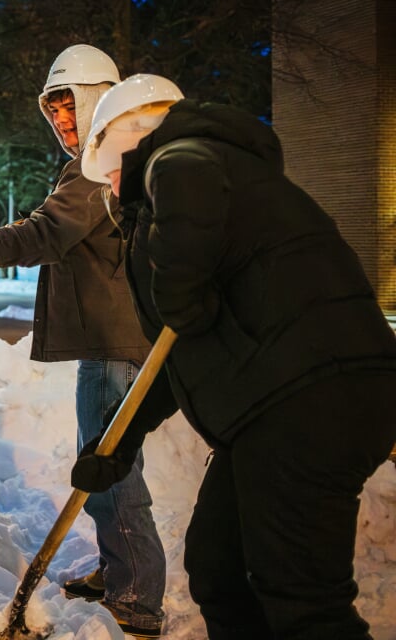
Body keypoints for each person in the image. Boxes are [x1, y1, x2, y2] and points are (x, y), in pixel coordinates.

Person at [71, 74, 396, 638]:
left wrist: (176, 283)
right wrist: (117, 444)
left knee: (302, 599)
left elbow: (183, 188)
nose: (115, 188)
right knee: (219, 569)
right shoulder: (207, 192)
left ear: (134, 138)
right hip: (269, 407)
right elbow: (179, 349)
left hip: (309, 395)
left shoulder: (184, 159)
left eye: (115, 171)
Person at [0, 45, 166, 638]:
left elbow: (41, 235)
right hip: (117, 340)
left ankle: (138, 599)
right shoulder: (119, 157)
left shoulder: (104, 164)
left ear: (101, 98)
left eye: (74, 110)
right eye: (57, 116)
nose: (65, 126)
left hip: (116, 344)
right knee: (109, 468)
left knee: (111, 475)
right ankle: (122, 571)